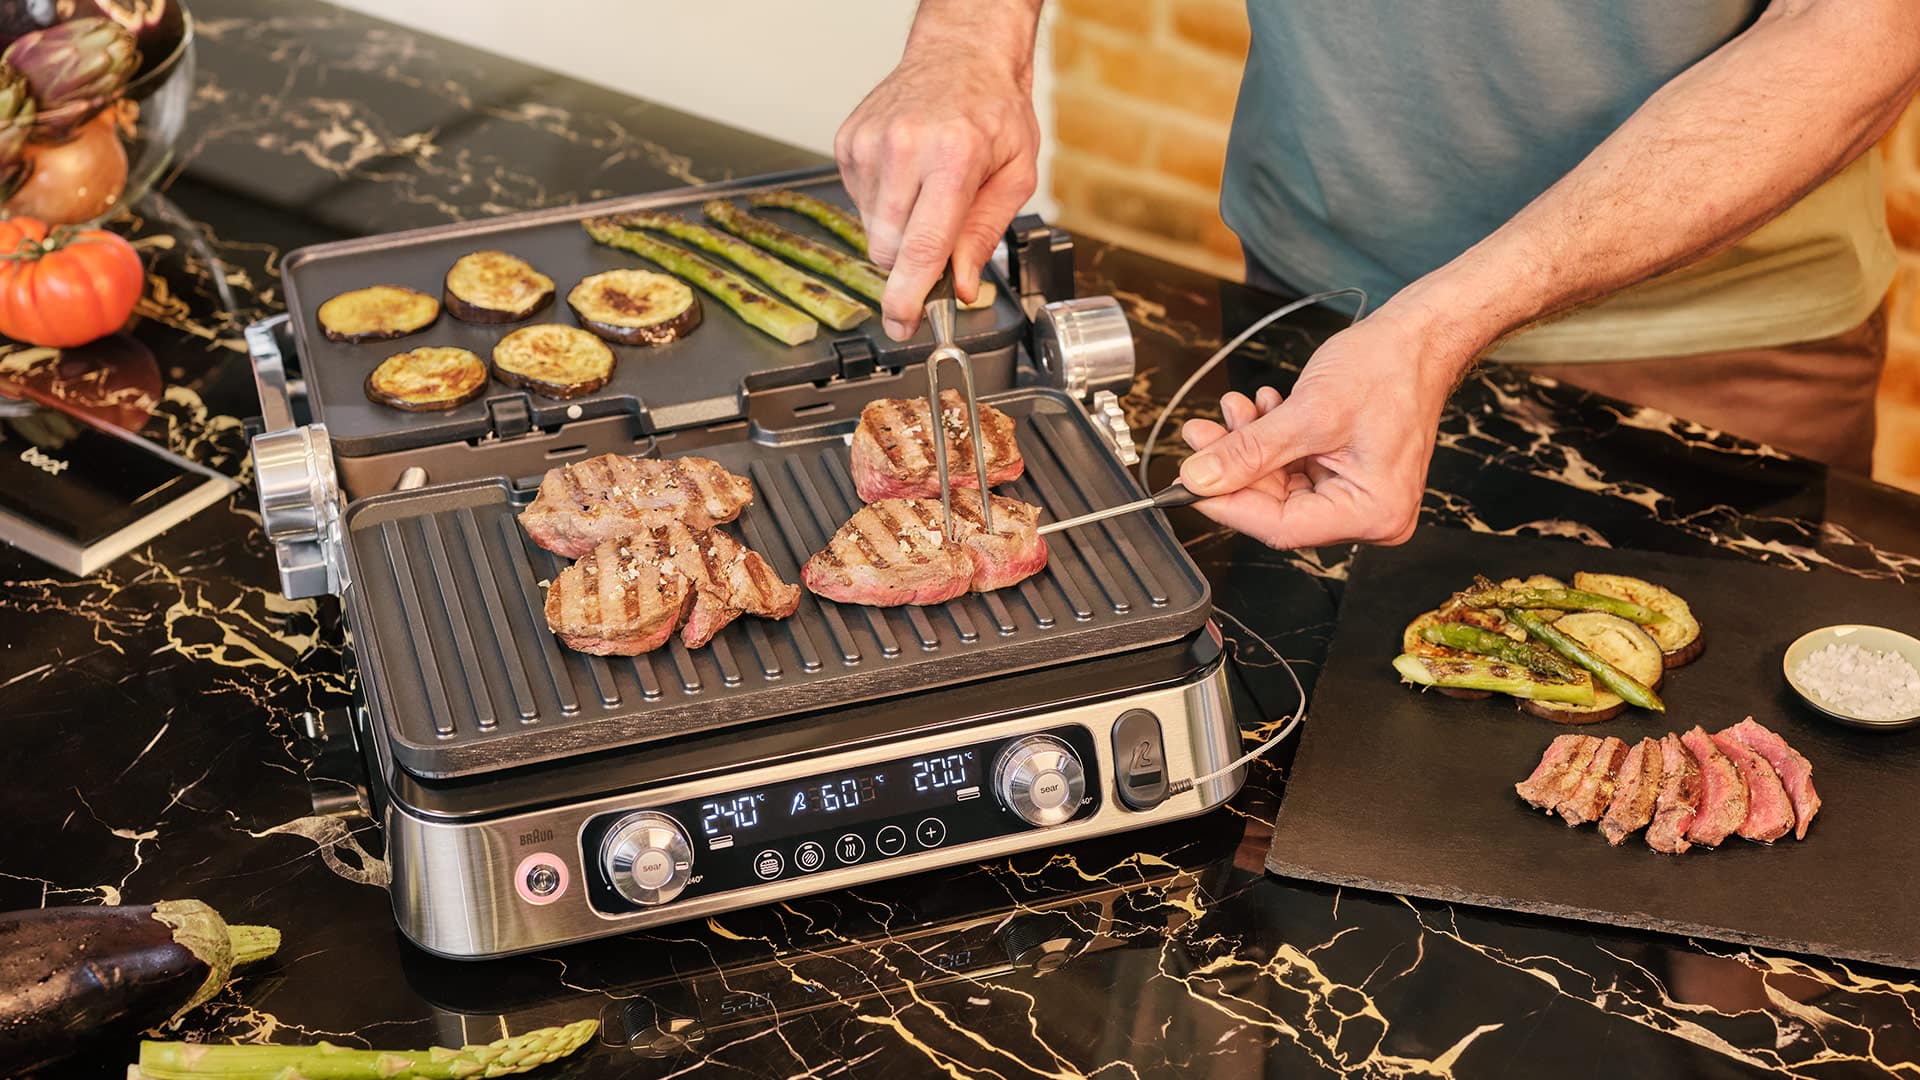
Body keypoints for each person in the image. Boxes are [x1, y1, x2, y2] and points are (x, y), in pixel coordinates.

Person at [835, 1, 1920, 550]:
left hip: (1712, 351)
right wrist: (966, 35)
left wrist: (1446, 318)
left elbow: (1861, 30)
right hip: (1310, 292)